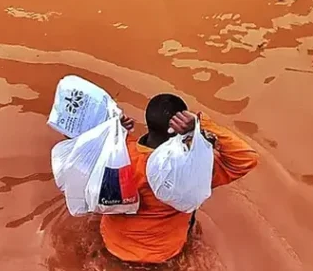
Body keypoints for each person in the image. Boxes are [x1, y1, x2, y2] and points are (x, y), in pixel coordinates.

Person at [100, 94, 259, 264]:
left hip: (112, 245)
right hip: (164, 254)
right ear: (179, 128)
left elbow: (79, 151)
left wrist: (113, 131)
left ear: (148, 123)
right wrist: (201, 124)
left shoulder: (117, 154)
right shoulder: (194, 169)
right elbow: (247, 158)